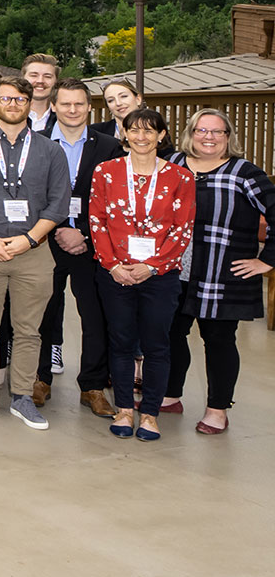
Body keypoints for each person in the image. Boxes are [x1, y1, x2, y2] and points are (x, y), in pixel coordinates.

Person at [0, 76, 70, 429]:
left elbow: (58, 204)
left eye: (20, 99)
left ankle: (22, 395)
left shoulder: (50, 150)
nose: (13, 105)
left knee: (29, 329)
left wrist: (29, 240)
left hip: (33, 250)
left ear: (30, 103)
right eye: (6, 98)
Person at [163, 108, 275, 436]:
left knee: (218, 341)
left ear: (228, 138)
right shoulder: (173, 166)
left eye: (217, 132)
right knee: (170, 335)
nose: (208, 137)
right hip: (173, 271)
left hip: (221, 276)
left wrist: (267, 260)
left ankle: (217, 410)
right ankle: (171, 395)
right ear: (190, 133)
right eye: (202, 130)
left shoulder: (245, 173)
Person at [90, 109, 195, 442]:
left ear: (162, 136)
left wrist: (151, 266)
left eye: (150, 131)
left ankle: (149, 413)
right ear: (125, 133)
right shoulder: (105, 172)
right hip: (115, 272)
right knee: (120, 342)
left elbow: (182, 229)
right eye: (134, 130)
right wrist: (113, 265)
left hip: (160, 275)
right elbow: (97, 222)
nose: (141, 137)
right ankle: (123, 408)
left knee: (156, 345)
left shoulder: (181, 177)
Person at [33, 79, 122, 417]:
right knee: (43, 312)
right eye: (66, 104)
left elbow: (114, 203)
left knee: (95, 316)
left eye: (79, 104)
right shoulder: (36, 143)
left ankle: (93, 386)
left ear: (89, 107)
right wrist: (56, 229)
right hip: (46, 241)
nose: (73, 110)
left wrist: (82, 232)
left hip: (93, 245)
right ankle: (40, 379)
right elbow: (30, 197)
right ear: (53, 106)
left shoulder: (109, 146)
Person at [21, 53, 60, 134]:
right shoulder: (8, 114)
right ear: (23, 79)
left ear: (56, 81)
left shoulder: (63, 118)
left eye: (47, 76)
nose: (40, 81)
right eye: (34, 75)